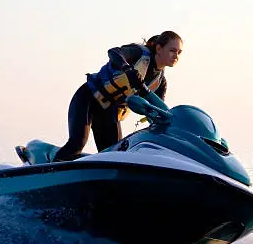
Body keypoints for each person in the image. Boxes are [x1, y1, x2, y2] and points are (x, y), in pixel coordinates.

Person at [52, 30, 183, 162]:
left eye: (179, 52)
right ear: (159, 48)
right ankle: (48, 172)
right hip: (89, 98)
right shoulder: (139, 53)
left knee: (114, 156)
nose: (176, 56)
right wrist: (127, 69)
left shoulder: (160, 82)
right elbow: (113, 52)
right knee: (77, 143)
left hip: (109, 111)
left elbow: (156, 112)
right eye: (172, 50)